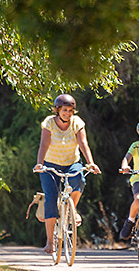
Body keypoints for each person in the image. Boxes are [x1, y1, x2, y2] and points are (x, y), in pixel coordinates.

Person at [34, 93, 101, 254]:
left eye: (70, 110)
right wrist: (40, 163)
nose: (68, 114)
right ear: (57, 110)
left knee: (79, 180)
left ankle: (73, 209)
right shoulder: (49, 123)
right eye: (64, 110)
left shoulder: (77, 123)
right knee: (51, 199)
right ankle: (50, 242)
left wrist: (90, 163)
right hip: (50, 164)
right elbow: (44, 143)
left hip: (72, 163)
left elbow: (83, 143)